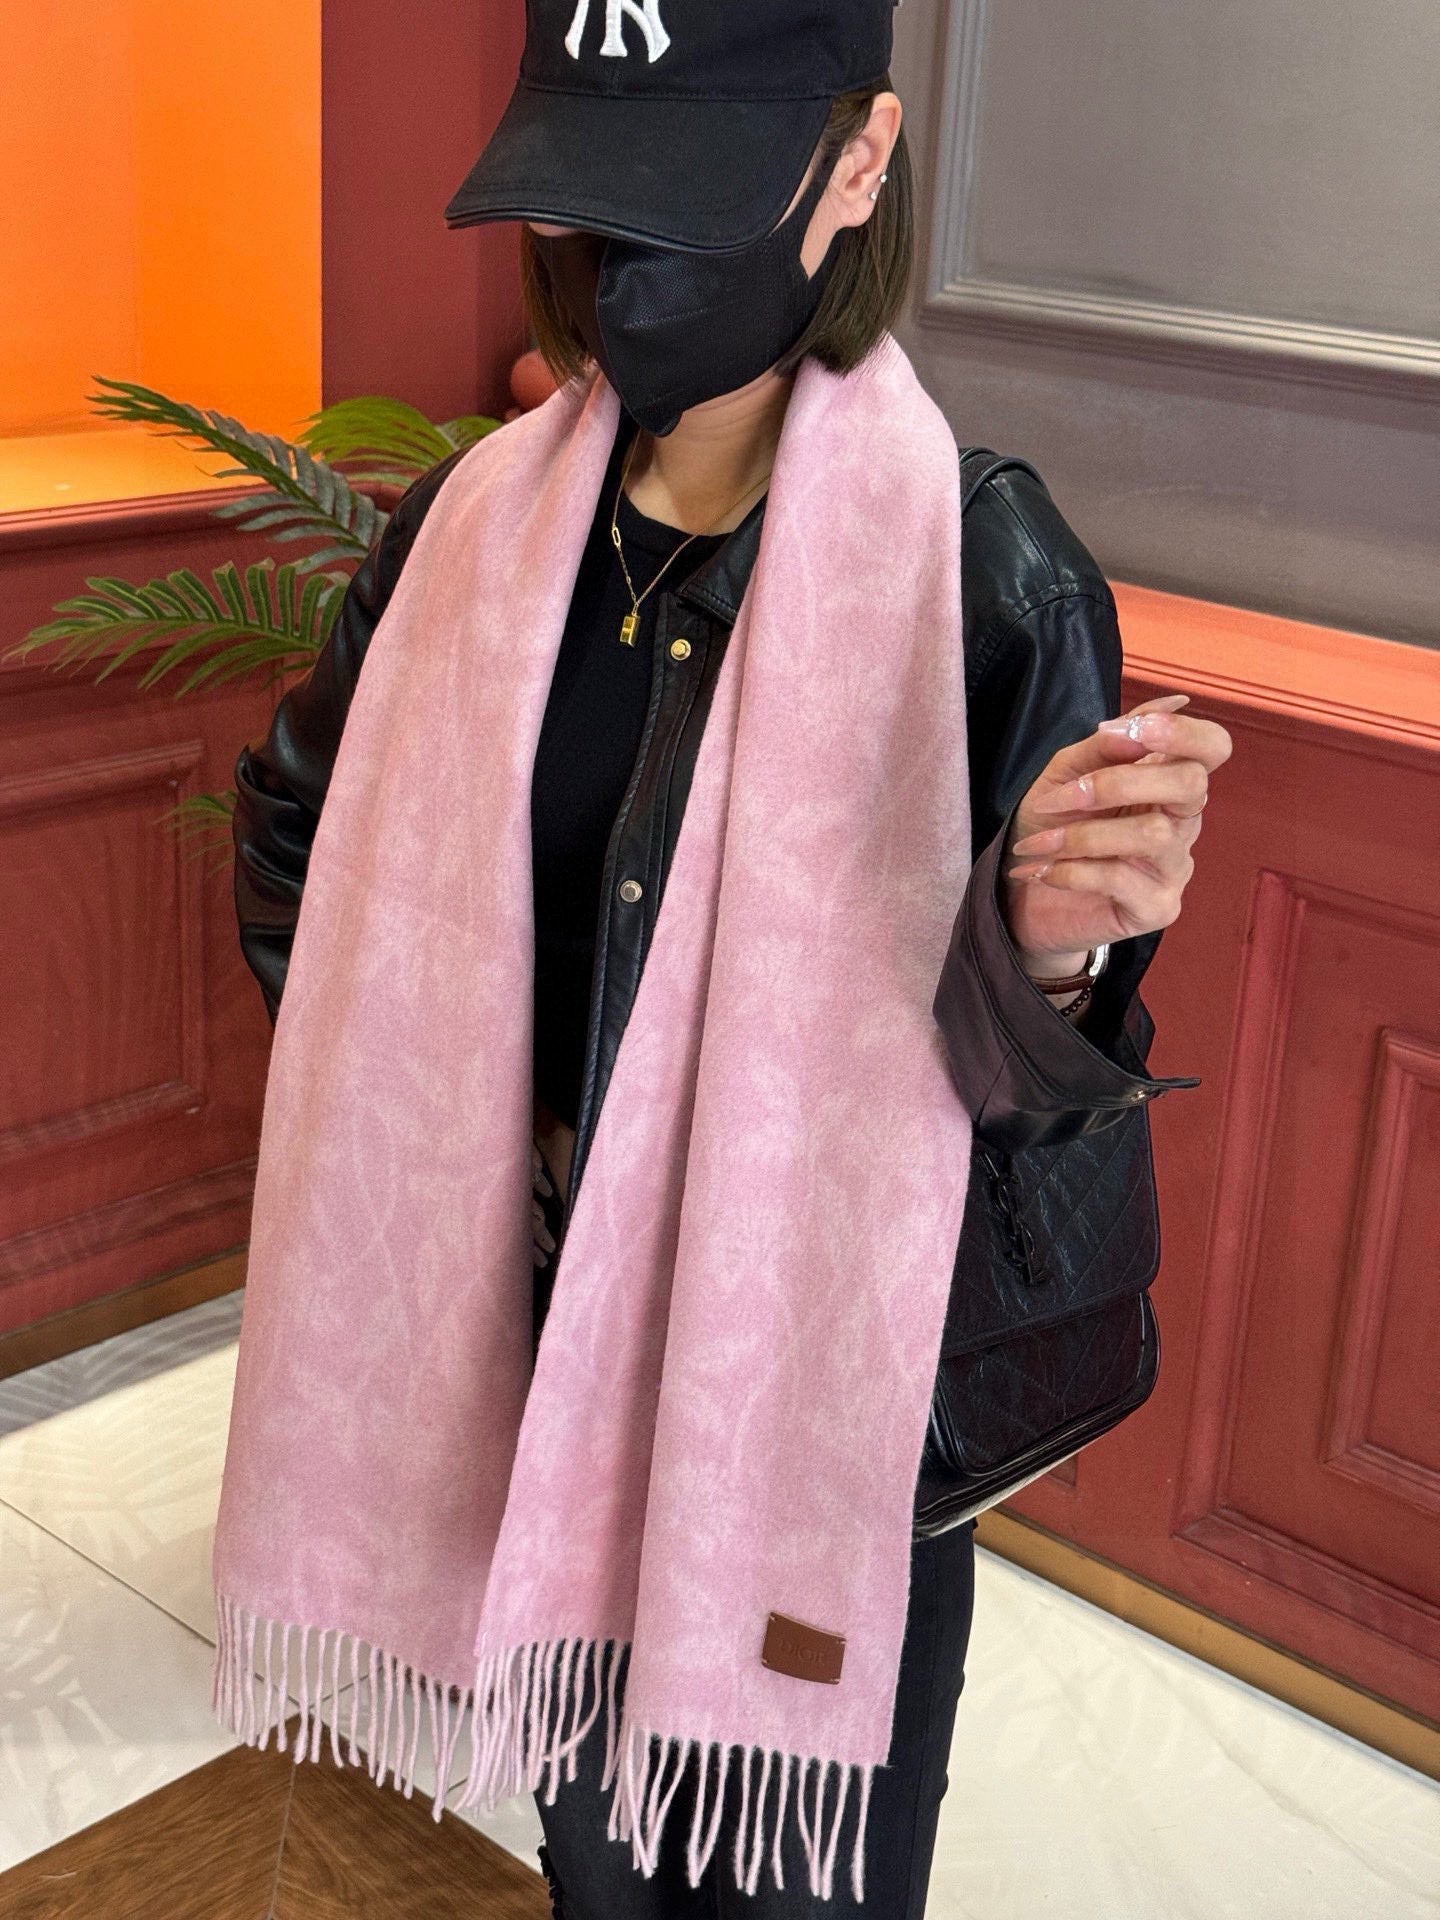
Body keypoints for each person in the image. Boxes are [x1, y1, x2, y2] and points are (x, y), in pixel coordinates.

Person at [228, 3, 1228, 1914]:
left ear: (857, 166)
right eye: (585, 203)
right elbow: (295, 841)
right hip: (527, 1347)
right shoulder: (470, 537)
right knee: (594, 1853)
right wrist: (439, 1141)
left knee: (793, 1887)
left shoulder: (984, 575)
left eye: (681, 201)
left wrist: (1049, 964)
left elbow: (1026, 1124)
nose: (621, 270)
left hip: (804, 1410)